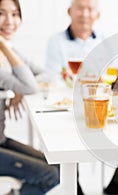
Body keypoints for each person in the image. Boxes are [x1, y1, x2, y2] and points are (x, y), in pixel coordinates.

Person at [0, 0, 59, 194]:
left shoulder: (9, 53)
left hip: (1, 139)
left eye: (15, 14)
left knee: (57, 164)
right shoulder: (5, 51)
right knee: (50, 174)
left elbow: (47, 75)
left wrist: (18, 88)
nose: (10, 21)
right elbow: (30, 86)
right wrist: (3, 45)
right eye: (2, 13)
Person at [45, 0, 104, 79]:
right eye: (80, 8)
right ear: (69, 11)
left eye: (90, 9)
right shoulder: (55, 41)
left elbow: (115, 76)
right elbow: (53, 77)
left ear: (98, 15)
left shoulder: (105, 41)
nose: (84, 14)